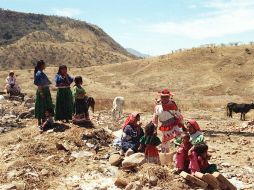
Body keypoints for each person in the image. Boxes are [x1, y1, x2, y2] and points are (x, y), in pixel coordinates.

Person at [152, 89, 184, 153]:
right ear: (160, 97)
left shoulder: (172, 104)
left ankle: (182, 153)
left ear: (169, 97)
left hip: (174, 124)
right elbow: (155, 118)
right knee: (165, 142)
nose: (164, 98)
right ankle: (165, 156)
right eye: (163, 97)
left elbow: (178, 115)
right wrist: (154, 128)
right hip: (165, 126)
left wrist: (182, 123)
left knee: (181, 137)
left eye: (166, 97)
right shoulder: (157, 107)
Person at [34, 60, 54, 128]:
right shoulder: (39, 73)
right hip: (42, 91)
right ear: (41, 65)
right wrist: (41, 93)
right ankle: (40, 122)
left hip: (45, 90)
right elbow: (39, 85)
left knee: (44, 105)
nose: (45, 66)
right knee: (41, 105)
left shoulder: (41, 73)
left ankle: (43, 121)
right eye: (44, 64)